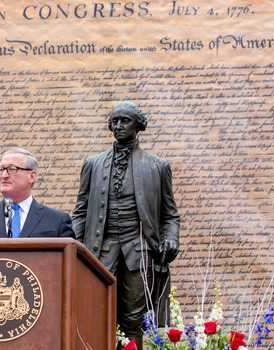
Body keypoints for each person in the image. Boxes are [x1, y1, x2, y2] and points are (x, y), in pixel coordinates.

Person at [72, 102, 180, 349]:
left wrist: (171, 238)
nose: (118, 126)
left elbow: (170, 215)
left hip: (139, 253)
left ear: (138, 126)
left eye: (125, 121)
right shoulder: (93, 164)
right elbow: (80, 211)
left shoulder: (158, 166)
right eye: (114, 121)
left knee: (134, 319)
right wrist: (75, 247)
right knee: (97, 313)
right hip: (100, 251)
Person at [0, 147, 75, 238]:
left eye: (12, 169)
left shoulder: (57, 221)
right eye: (1, 169)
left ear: (32, 176)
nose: (4, 175)